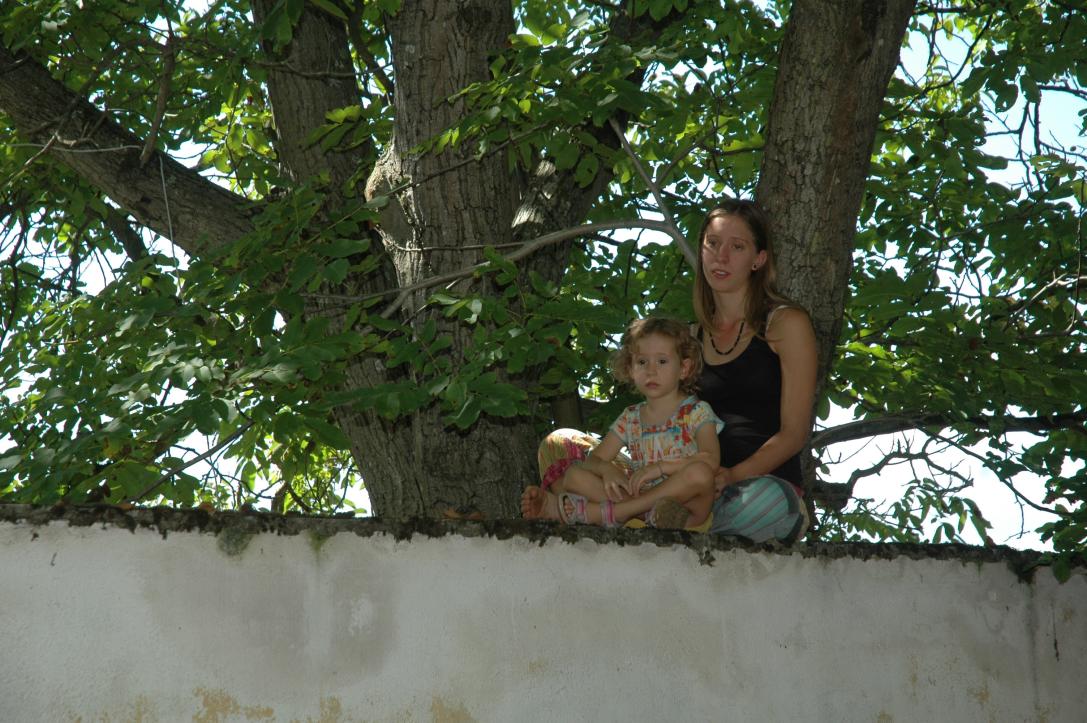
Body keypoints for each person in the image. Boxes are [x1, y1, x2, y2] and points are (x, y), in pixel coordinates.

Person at [532, 199, 818, 543]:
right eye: (712, 244)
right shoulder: (686, 341)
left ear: (759, 259)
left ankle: (620, 516)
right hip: (671, 484)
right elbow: (656, 418)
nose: (721, 257)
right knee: (559, 444)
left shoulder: (785, 324)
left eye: (737, 247)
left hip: (745, 488)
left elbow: (794, 433)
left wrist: (729, 476)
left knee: (772, 504)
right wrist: (612, 468)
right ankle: (654, 516)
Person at [521, 317, 722, 529]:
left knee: (699, 473)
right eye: (642, 362)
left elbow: (711, 460)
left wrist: (661, 468)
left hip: (687, 509)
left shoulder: (697, 411)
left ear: (684, 368)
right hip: (642, 505)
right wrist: (606, 469)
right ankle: (641, 514)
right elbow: (593, 460)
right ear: (630, 368)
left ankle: (611, 513)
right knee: (575, 475)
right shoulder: (631, 418)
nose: (651, 370)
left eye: (662, 361)